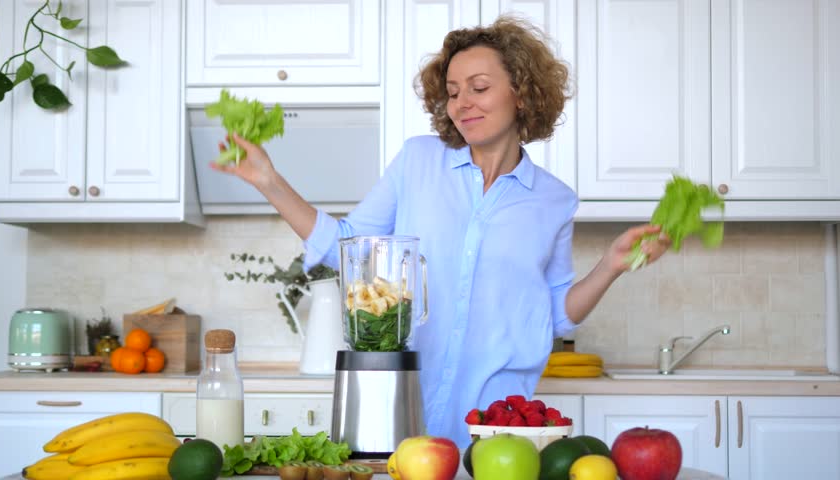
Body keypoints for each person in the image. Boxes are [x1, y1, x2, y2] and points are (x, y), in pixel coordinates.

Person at [212, 16, 670, 447]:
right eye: (452, 92)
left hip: (495, 421)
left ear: (523, 94)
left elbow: (554, 314)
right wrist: (269, 181)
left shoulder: (554, 200)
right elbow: (346, 249)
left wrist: (612, 265)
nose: (462, 103)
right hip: (404, 403)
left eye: (479, 87)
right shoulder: (417, 162)